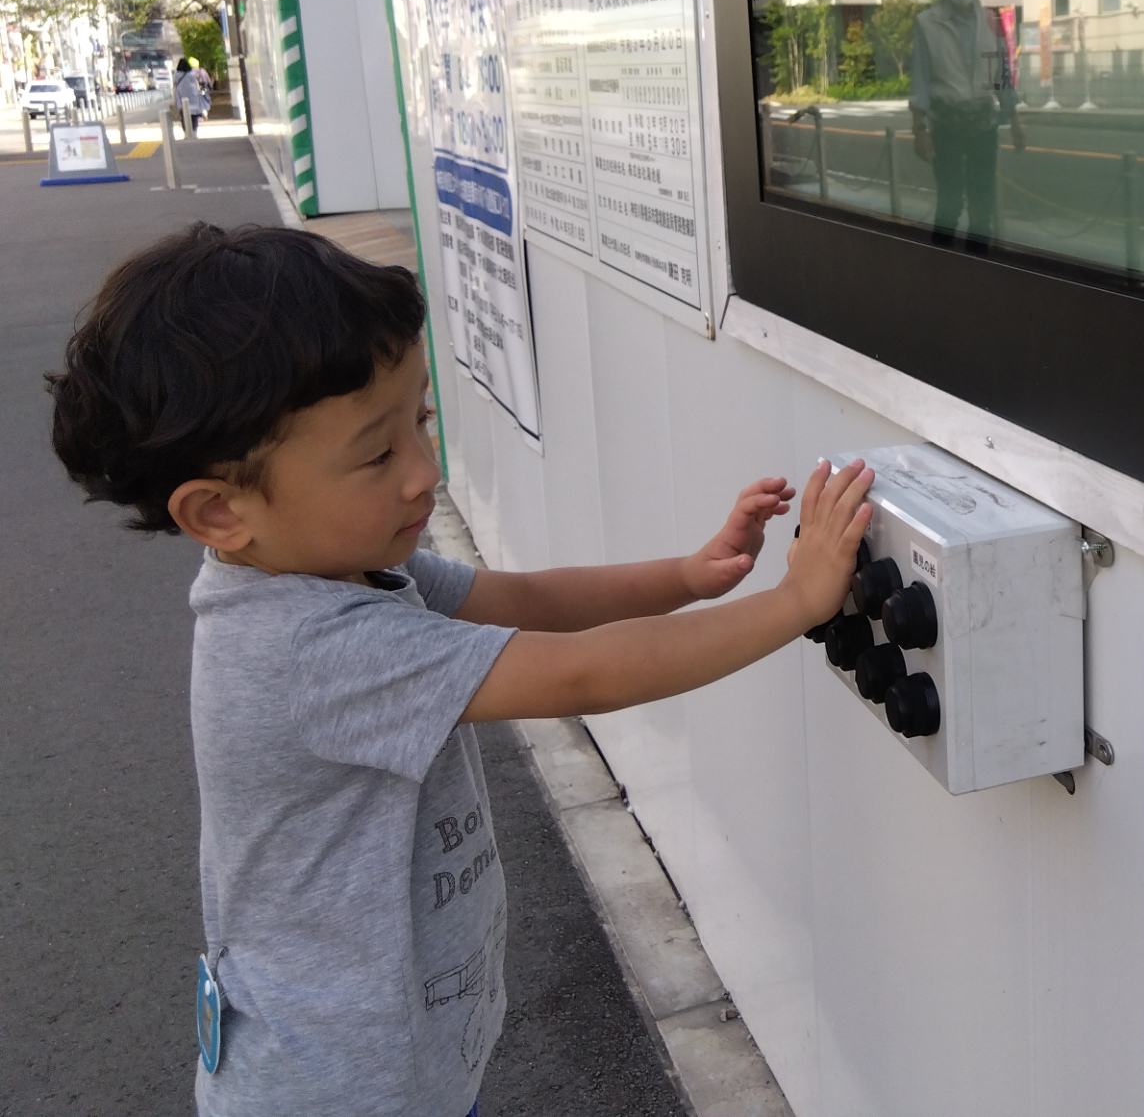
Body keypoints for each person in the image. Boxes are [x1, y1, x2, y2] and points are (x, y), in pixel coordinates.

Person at [46, 223, 874, 1117]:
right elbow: (580, 675)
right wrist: (795, 603)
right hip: (337, 1095)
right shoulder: (310, 646)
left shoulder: (344, 574)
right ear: (219, 511)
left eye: (421, 421)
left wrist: (687, 575)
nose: (423, 471)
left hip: (398, 1069)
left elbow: (524, 601)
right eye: (377, 454)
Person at [910, 0, 1024, 248]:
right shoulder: (927, 23)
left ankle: (977, 264)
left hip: (983, 125)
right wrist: (919, 129)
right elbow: (920, 80)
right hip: (945, 126)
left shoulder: (991, 21)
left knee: (982, 205)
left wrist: (1015, 120)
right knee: (949, 203)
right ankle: (942, 264)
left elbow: (1001, 76)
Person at [175, 57, 214, 137]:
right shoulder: (191, 75)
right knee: (194, 115)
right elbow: (196, 86)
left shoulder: (176, 75)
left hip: (181, 98)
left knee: (184, 115)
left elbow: (175, 85)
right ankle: (194, 131)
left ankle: (186, 132)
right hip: (193, 97)